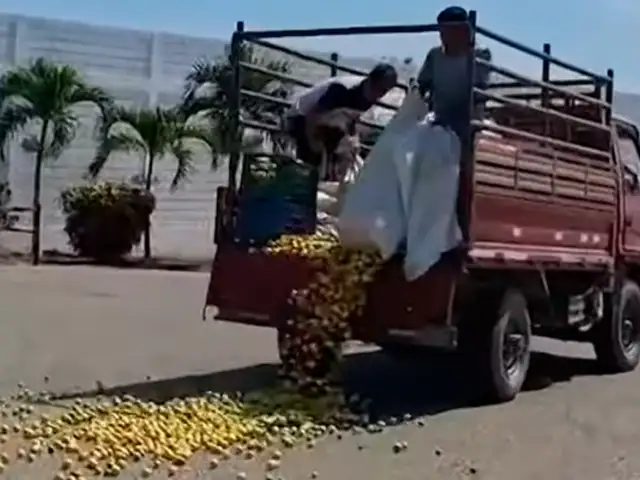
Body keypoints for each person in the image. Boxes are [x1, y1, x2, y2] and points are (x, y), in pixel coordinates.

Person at [285, 63, 398, 178]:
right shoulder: (342, 89)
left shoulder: (369, 97)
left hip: (326, 125)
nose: (377, 94)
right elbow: (312, 115)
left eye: (383, 91)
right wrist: (313, 143)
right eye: (376, 88)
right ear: (369, 79)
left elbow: (351, 117)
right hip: (301, 118)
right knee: (311, 164)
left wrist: (353, 138)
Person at [416, 5, 492, 141]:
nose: (443, 37)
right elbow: (422, 84)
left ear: (464, 31)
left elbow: (479, 89)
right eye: (442, 32)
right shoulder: (435, 55)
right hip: (437, 119)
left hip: (467, 119)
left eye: (449, 31)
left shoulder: (479, 54)